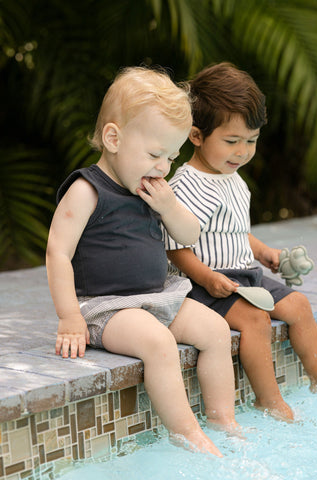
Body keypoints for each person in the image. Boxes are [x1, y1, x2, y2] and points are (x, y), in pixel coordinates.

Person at [46, 66, 241, 457]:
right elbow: (57, 252)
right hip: (107, 308)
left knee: (216, 330)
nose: (162, 167)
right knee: (159, 343)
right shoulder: (87, 189)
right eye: (155, 154)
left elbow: (189, 236)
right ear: (114, 138)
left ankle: (224, 420)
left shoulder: (153, 189)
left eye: (171, 156)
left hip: (158, 298)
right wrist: (70, 316)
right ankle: (186, 433)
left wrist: (169, 206)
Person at [165, 62, 317, 422]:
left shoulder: (234, 178)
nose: (242, 152)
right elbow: (174, 246)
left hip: (246, 275)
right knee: (256, 320)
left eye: (251, 141)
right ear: (196, 136)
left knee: (300, 305)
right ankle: (269, 400)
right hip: (205, 283)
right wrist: (206, 277)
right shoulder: (189, 184)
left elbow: (236, 230)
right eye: (232, 141)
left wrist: (264, 253)